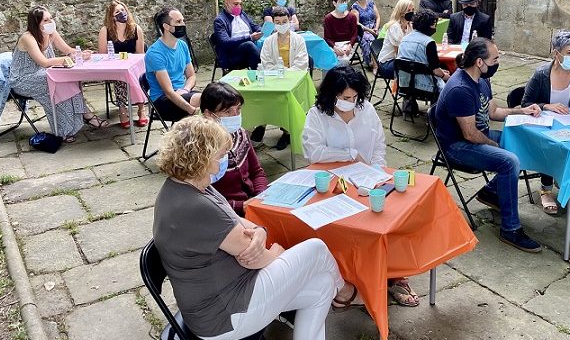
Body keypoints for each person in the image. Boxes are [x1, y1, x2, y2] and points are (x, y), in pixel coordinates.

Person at [153, 115, 357, 340]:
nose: (224, 160)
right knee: (316, 248)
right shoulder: (197, 206)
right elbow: (255, 259)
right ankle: (345, 291)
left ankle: (338, 291)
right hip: (225, 314)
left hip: (229, 296)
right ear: (202, 157)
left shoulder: (190, 185)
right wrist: (277, 252)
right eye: (220, 155)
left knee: (322, 286)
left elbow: (239, 222)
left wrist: (260, 232)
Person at [301, 65, 419, 307]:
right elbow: (313, 152)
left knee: (389, 219)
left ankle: (394, 274)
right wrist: (349, 154)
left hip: (368, 177)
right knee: (343, 226)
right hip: (335, 182)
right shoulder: (317, 115)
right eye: (345, 98)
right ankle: (350, 276)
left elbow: (378, 144)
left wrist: (377, 171)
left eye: (354, 97)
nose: (350, 102)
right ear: (331, 95)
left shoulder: (366, 110)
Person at [434, 38, 542, 252]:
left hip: (477, 135)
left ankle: (491, 192)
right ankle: (510, 229)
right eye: (495, 59)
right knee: (509, 160)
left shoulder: (482, 80)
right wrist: (495, 145)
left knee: (518, 144)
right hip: (456, 146)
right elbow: (470, 134)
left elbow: (493, 112)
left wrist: (522, 111)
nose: (498, 63)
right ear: (479, 62)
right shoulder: (460, 88)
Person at [522, 30, 570, 215]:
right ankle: (546, 190)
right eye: (569, 53)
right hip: (545, 125)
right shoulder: (541, 74)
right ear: (556, 53)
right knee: (550, 145)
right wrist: (547, 106)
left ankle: (565, 180)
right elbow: (525, 103)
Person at [9, 6, 107, 143]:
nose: (50, 22)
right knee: (57, 83)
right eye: (45, 20)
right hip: (23, 79)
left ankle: (84, 114)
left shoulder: (51, 33)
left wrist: (81, 54)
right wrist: (67, 59)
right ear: (36, 23)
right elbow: (43, 62)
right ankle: (65, 129)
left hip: (44, 73)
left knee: (69, 78)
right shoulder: (27, 38)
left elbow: (67, 50)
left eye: (51, 18)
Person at [200, 82, 268, 216]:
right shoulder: (201, 148)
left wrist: (260, 196)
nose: (235, 115)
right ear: (209, 114)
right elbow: (201, 197)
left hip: (252, 203)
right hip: (223, 213)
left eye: (238, 109)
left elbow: (257, 172)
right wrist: (240, 206)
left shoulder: (240, 134)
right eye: (227, 111)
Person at [252, 6, 310, 150]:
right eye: (278, 22)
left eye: (284, 22)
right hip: (274, 78)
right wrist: (279, 72)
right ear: (274, 23)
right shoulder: (268, 41)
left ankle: (287, 132)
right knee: (265, 97)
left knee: (289, 101)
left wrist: (287, 73)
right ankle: (261, 124)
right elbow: (266, 62)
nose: (281, 25)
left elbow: (302, 63)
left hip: (294, 79)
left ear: (289, 20)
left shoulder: (299, 40)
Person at [97, 0, 147, 128]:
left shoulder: (136, 29)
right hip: (115, 68)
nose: (121, 13)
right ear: (111, 16)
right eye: (117, 12)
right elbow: (102, 55)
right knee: (120, 78)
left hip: (133, 66)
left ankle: (141, 109)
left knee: (138, 75)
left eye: (123, 10)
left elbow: (140, 54)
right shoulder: (105, 31)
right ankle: (122, 110)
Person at [145, 7, 201, 119]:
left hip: (182, 93)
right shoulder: (155, 53)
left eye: (183, 21)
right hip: (163, 101)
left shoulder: (182, 45)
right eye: (178, 22)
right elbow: (169, 92)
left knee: (216, 96)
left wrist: (185, 90)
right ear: (166, 26)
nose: (183, 24)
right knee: (211, 102)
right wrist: (192, 110)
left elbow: (191, 76)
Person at [397, 11, 449, 108]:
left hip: (404, 84)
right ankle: (437, 111)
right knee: (449, 81)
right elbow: (436, 70)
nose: (435, 27)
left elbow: (410, 62)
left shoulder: (404, 39)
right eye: (434, 24)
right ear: (427, 25)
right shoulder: (429, 42)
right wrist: (445, 75)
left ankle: (409, 106)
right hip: (425, 86)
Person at [212, 0, 262, 71]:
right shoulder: (220, 20)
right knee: (249, 45)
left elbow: (254, 26)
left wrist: (261, 31)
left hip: (249, 50)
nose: (239, 7)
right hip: (231, 54)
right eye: (236, 4)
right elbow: (225, 42)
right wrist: (249, 37)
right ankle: (261, 72)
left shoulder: (242, 14)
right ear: (226, 4)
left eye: (240, 4)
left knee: (266, 43)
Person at [377, 0, 414, 80]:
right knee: (413, 70)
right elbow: (399, 52)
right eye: (408, 10)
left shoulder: (410, 26)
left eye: (413, 10)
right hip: (387, 63)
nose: (411, 12)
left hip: (401, 60)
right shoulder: (394, 27)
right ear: (401, 12)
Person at [323, 0, 358, 64]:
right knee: (327, 59)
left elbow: (354, 35)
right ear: (334, 3)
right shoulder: (328, 18)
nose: (344, 3)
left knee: (343, 60)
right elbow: (327, 38)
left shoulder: (352, 17)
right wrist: (335, 47)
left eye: (345, 1)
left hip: (348, 44)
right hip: (334, 44)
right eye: (341, 2)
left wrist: (350, 45)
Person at [351, 0, 381, 67]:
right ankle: (372, 63)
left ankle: (381, 60)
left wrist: (376, 28)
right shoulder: (355, 7)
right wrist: (370, 30)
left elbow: (378, 17)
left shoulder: (371, 3)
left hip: (374, 28)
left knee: (384, 36)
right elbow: (357, 23)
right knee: (370, 39)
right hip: (363, 30)